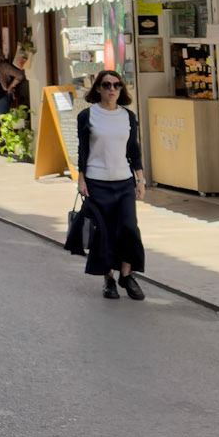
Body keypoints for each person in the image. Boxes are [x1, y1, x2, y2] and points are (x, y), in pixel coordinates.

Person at [76, 70, 146, 300]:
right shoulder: (87, 116)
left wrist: (140, 180)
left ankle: (126, 275)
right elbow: (83, 150)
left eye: (116, 85)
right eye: (106, 85)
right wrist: (81, 178)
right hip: (97, 182)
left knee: (129, 228)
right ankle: (109, 280)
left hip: (124, 181)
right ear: (98, 88)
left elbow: (133, 150)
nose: (112, 89)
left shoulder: (128, 116)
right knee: (103, 233)